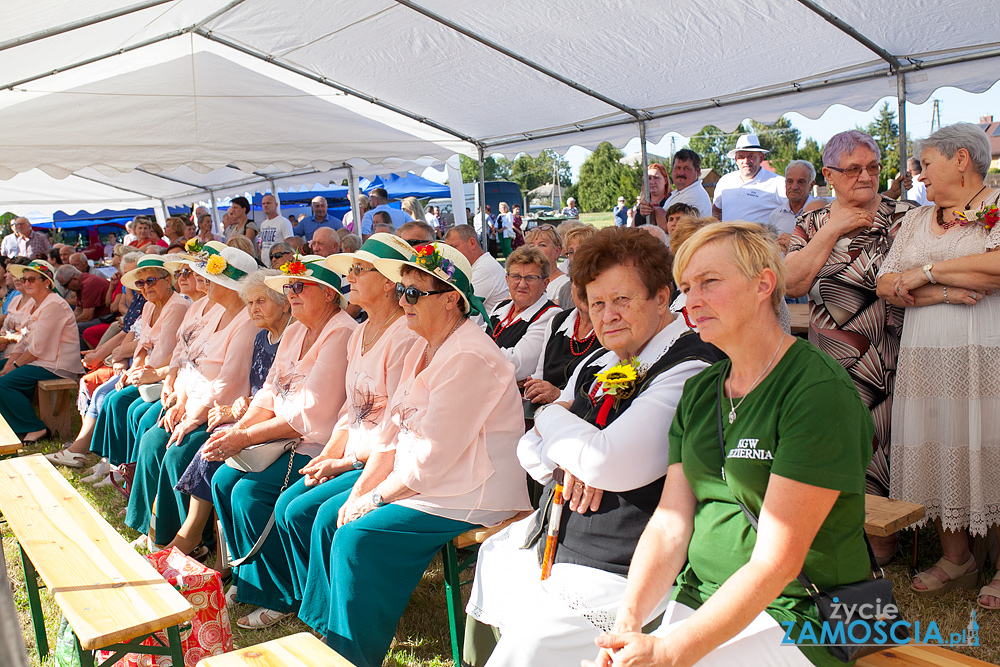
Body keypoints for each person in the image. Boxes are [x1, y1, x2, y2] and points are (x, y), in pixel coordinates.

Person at [581, 221, 872, 667]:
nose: (691, 301)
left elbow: (778, 563)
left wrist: (670, 651)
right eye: (685, 287)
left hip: (803, 616)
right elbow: (668, 524)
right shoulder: (702, 390)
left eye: (709, 283)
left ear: (763, 285)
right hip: (700, 597)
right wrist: (629, 621)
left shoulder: (816, 392)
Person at [467, 227, 717, 666]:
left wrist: (554, 421)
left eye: (622, 300)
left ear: (662, 298)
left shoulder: (688, 366)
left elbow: (608, 461)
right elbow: (529, 451)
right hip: (561, 538)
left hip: (626, 563)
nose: (608, 315)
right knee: (495, 560)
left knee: (527, 648)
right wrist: (572, 456)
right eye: (597, 303)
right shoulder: (601, 360)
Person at [278, 241, 524, 667]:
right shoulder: (425, 346)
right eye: (403, 289)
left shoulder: (469, 355)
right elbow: (391, 435)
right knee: (333, 513)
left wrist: (372, 499)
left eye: (414, 292)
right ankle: (327, 634)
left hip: (468, 491)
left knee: (357, 536)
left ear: (452, 301)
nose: (403, 299)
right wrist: (360, 492)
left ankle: (351, 656)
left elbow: (432, 456)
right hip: (431, 480)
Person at [875, 122, 1000, 608]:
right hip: (926, 354)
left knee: (991, 441)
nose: (919, 174)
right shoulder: (915, 220)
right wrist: (945, 291)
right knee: (941, 439)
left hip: (986, 349)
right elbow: (886, 285)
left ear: (962, 159)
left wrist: (927, 272)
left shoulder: (996, 206)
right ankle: (957, 557)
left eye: (926, 164)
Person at [268, 235, 421, 627]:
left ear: (389, 282)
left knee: (314, 514)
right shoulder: (359, 331)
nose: (348, 276)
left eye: (358, 269)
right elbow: (349, 412)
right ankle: (317, 600)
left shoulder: (405, 335)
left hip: (381, 460)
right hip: (354, 453)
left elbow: (394, 427)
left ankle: (328, 620)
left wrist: (343, 462)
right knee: (289, 505)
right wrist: (327, 455)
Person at [785, 131, 917, 562]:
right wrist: (835, 228)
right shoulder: (812, 223)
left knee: (891, 437)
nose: (865, 176)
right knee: (844, 439)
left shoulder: (906, 217)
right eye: (854, 169)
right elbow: (792, 283)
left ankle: (888, 534)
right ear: (829, 175)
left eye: (873, 168)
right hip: (836, 358)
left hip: (898, 349)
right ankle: (847, 529)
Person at [124, 246, 258, 546]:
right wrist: (181, 401)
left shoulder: (246, 323)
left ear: (230, 284)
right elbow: (190, 361)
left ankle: (185, 539)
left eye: (212, 275)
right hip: (195, 403)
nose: (204, 280)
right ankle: (152, 527)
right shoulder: (216, 314)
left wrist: (192, 416)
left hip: (217, 412)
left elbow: (229, 383)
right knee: (154, 439)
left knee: (177, 452)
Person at [168, 267, 290, 556]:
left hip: (278, 425)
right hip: (254, 413)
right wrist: (240, 404)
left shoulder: (291, 336)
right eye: (249, 302)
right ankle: (196, 536)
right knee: (211, 447)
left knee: (213, 450)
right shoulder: (263, 337)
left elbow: (282, 394)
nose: (254, 309)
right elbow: (257, 386)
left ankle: (194, 537)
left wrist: (242, 409)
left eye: (261, 301)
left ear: (284, 303)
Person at [49, 255, 192, 468]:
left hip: (162, 373)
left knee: (115, 399)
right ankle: (110, 463)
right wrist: (131, 370)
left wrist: (140, 373)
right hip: (145, 371)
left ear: (167, 279)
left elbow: (163, 351)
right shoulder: (149, 307)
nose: (145, 288)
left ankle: (117, 465)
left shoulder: (177, 305)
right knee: (112, 396)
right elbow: (143, 346)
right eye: (140, 283)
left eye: (150, 281)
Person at [0, 260, 83, 443]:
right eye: (24, 279)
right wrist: (8, 364)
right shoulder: (33, 303)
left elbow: (38, 348)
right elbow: (23, 341)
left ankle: (35, 428)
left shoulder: (53, 305)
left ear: (46, 282)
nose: (26, 283)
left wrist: (12, 367)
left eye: (31, 279)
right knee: (4, 375)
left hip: (56, 364)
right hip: (39, 360)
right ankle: (11, 424)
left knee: (4, 384)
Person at [488, 246, 560, 382]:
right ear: (507, 279)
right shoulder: (500, 308)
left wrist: (475, 353)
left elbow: (516, 366)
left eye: (530, 278)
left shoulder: (550, 315)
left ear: (545, 283)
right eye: (515, 276)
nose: (522, 284)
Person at [712, 134, 786, 223]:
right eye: (741, 157)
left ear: (761, 158)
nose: (746, 161)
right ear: (736, 159)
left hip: (761, 237)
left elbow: (796, 210)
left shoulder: (778, 183)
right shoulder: (725, 181)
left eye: (751, 156)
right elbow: (716, 211)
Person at [444, 224, 509, 315]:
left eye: (453, 247)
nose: (450, 253)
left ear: (472, 243)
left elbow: (464, 313)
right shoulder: (480, 266)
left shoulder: (484, 269)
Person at [768, 159, 817, 239]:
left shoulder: (821, 213)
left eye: (801, 182)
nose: (794, 187)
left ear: (811, 185)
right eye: (790, 181)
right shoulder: (775, 216)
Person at [524, 224, 569, 307]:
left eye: (542, 245)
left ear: (557, 251)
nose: (535, 250)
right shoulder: (522, 281)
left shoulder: (565, 284)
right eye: (531, 246)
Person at [664, 149, 713, 217]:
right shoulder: (683, 192)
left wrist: (656, 211)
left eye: (686, 168)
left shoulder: (693, 196)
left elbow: (674, 225)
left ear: (698, 171)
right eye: (677, 168)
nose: (681, 173)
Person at [257, 194, 295, 265]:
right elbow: (263, 245)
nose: (265, 205)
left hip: (279, 264)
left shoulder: (284, 222)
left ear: (276, 205)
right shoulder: (263, 224)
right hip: (266, 264)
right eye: (263, 203)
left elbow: (289, 244)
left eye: (268, 203)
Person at [632, 163, 670, 227]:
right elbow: (632, 228)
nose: (652, 182)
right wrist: (641, 215)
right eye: (649, 178)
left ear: (665, 180)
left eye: (656, 177)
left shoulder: (672, 201)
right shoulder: (642, 205)